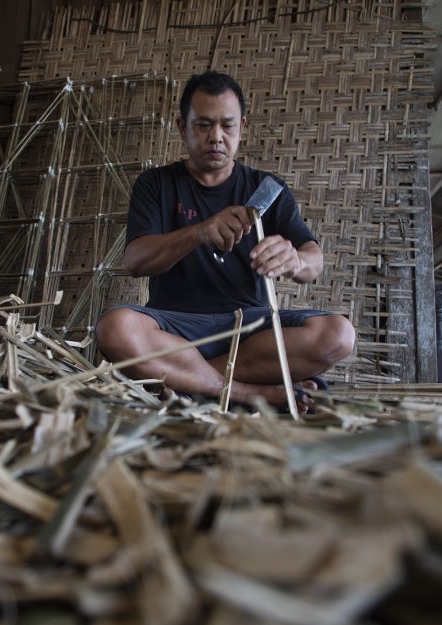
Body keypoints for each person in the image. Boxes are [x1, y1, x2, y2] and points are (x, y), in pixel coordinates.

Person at [95, 71, 355, 411]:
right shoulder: (156, 184)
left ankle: (184, 381)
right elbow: (135, 261)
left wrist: (296, 260)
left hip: (251, 331)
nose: (216, 137)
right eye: (203, 125)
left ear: (242, 127)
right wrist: (199, 232)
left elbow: (313, 261)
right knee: (114, 328)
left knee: (338, 334)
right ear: (181, 127)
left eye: (227, 126)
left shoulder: (266, 189)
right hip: (176, 330)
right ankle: (245, 393)